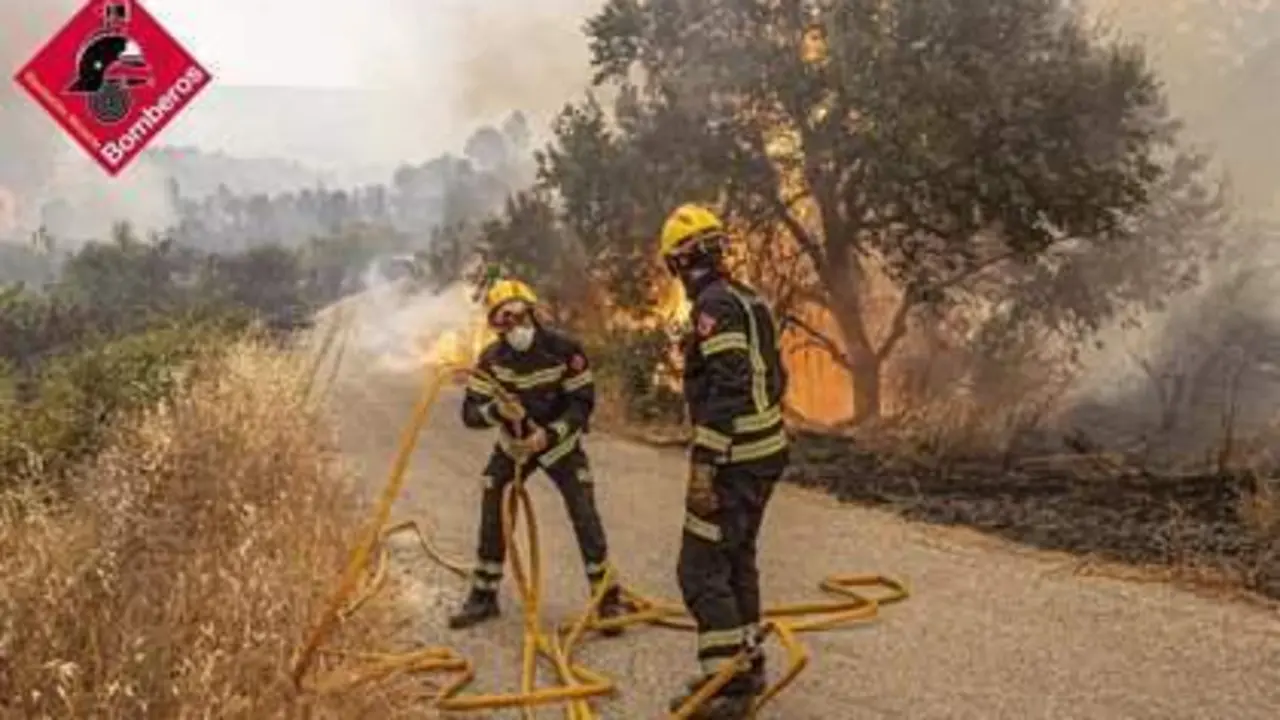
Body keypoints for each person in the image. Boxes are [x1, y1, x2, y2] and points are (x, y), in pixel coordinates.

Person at [659, 204, 790, 718]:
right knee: (737, 559)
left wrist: (706, 463)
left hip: (735, 460)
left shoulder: (714, 305)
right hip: (766, 453)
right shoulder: (749, 298)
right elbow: (775, 379)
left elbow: (730, 388)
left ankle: (727, 688)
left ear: (681, 261)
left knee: (699, 571)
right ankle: (745, 667)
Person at [448, 278, 632, 634]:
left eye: (519, 316)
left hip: (559, 445)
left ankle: (607, 599)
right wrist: (498, 413)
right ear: (495, 327)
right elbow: (470, 414)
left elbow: (583, 403)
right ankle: (484, 596)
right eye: (504, 321)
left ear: (533, 312)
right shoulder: (492, 360)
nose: (515, 327)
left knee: (583, 511)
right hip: (514, 447)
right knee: (494, 499)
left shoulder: (564, 349)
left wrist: (549, 434)